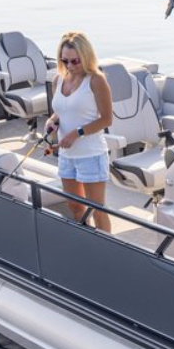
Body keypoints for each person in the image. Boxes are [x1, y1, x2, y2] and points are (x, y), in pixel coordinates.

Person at [46, 32, 114, 232]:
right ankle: (86, 243)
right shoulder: (58, 80)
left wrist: (77, 133)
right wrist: (52, 121)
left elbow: (106, 119)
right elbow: (61, 111)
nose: (69, 65)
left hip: (91, 155)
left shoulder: (96, 80)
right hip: (66, 156)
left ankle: (105, 248)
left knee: (98, 210)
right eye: (64, 61)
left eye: (74, 61)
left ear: (85, 57)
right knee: (75, 207)